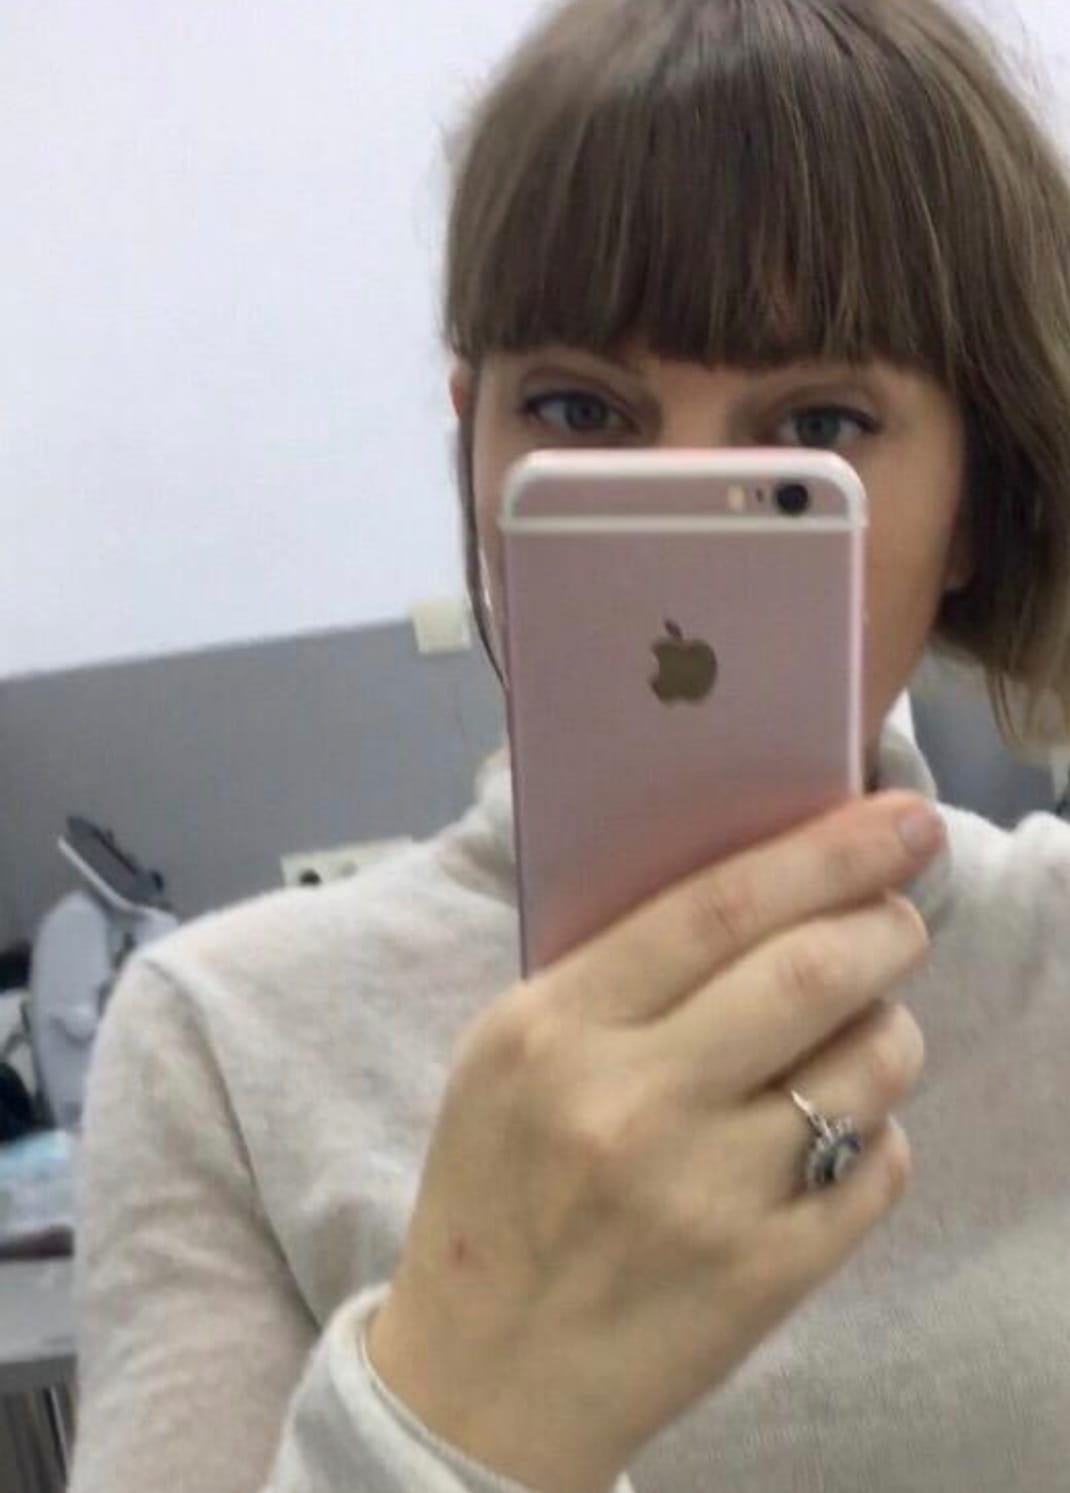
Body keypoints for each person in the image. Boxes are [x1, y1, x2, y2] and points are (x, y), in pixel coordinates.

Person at [69, 1, 1070, 1490]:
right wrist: (461, 1397)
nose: (679, 516)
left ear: (972, 507)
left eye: (818, 426)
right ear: (474, 446)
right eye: (580, 408)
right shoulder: (222, 1044)